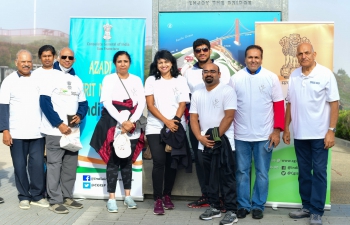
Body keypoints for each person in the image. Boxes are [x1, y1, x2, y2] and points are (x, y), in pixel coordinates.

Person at [283, 43, 339, 225]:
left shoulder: (325, 74)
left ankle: (317, 211)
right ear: (297, 56)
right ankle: (306, 206)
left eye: (307, 53)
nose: (303, 56)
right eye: (300, 54)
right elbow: (290, 104)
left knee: (320, 173)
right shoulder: (294, 75)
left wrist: (331, 131)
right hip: (300, 135)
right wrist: (286, 128)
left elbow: (334, 103)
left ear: (314, 54)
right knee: (304, 173)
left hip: (320, 135)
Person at [231, 45, 285, 219]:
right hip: (240, 135)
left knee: (262, 172)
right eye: (250, 57)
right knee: (242, 172)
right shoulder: (235, 78)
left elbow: (278, 105)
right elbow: (229, 108)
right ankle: (243, 205)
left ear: (261, 59)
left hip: (264, 136)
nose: (253, 60)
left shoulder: (271, 78)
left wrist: (277, 131)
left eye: (257, 57)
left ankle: (258, 206)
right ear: (245, 59)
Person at [90, 51, 145, 212]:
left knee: (127, 161)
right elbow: (106, 102)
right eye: (119, 61)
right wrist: (122, 122)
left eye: (125, 61)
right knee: (113, 162)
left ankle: (128, 196)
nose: (122, 64)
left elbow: (141, 103)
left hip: (132, 124)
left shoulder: (136, 79)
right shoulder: (109, 79)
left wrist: (131, 122)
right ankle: (111, 198)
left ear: (130, 63)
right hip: (113, 124)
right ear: (115, 63)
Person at [184, 38, 232, 210]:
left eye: (205, 49)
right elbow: (187, 100)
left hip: (219, 125)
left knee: (220, 162)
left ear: (210, 51)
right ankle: (207, 196)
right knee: (201, 162)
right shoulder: (188, 72)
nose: (202, 52)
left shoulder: (222, 69)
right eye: (198, 50)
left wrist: (218, 131)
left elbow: (225, 97)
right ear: (194, 53)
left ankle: (223, 199)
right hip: (197, 124)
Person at [39, 47, 88, 214]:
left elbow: (83, 104)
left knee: (69, 165)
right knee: (54, 165)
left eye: (70, 57)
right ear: (58, 57)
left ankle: (67, 196)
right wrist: (59, 124)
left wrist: (80, 116)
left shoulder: (77, 80)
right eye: (64, 57)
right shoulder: (50, 76)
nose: (67, 59)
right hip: (55, 131)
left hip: (72, 131)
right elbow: (44, 103)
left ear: (74, 60)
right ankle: (54, 199)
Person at [190, 63, 238, 225]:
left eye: (212, 71)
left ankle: (231, 210)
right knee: (209, 179)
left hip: (224, 143)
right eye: (206, 72)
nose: (209, 74)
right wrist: (200, 138)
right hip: (204, 143)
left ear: (219, 74)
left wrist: (213, 138)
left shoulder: (227, 91)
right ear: (202, 75)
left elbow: (229, 117)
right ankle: (214, 206)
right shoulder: (197, 94)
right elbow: (193, 118)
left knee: (227, 178)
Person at [0, 50, 48, 209]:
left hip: (37, 133)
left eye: (29, 61)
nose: (27, 64)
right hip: (16, 133)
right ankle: (24, 196)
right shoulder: (8, 81)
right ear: (16, 62)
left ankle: (37, 195)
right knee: (20, 166)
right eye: (23, 62)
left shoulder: (39, 78)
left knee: (37, 166)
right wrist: (5, 130)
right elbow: (3, 107)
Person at [145, 50, 190, 215]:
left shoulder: (181, 80)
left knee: (172, 163)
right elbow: (150, 105)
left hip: (176, 127)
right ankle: (157, 198)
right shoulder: (151, 80)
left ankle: (167, 195)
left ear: (172, 63)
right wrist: (167, 122)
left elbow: (182, 104)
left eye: (166, 62)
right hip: (156, 127)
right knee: (159, 161)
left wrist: (175, 122)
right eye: (160, 62)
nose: (163, 65)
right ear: (157, 65)